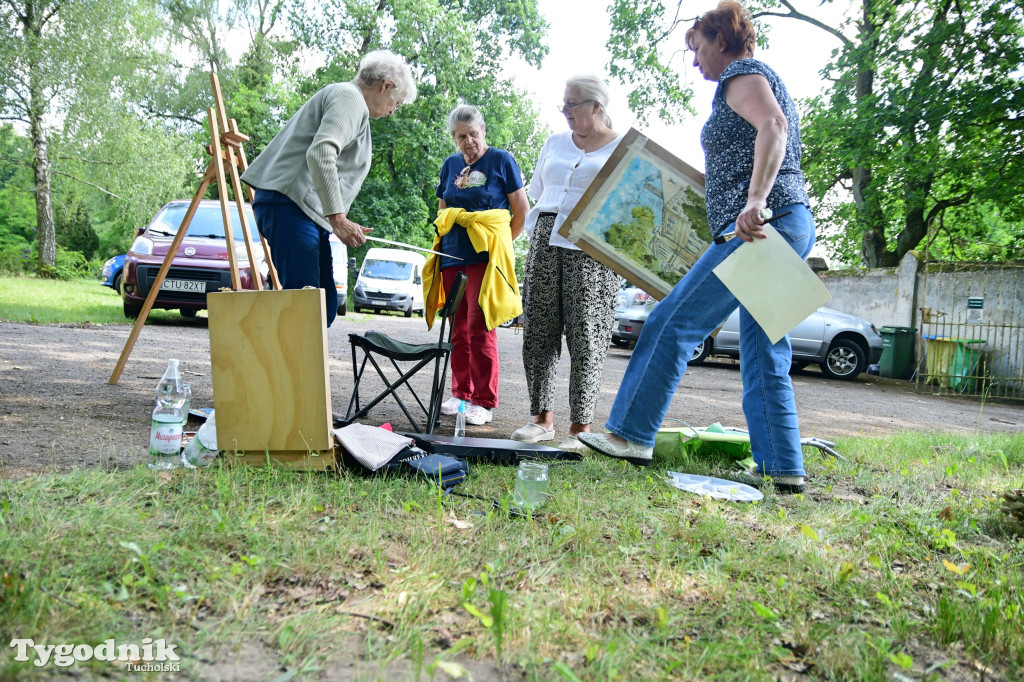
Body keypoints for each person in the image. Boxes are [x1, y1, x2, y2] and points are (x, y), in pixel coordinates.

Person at [578, 1, 816, 494]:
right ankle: (782, 464)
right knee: (762, 345)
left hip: (757, 227)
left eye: (698, 48)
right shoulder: (763, 78)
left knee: (673, 320)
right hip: (790, 222)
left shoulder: (743, 75)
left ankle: (630, 435)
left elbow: (773, 127)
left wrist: (754, 199)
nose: (695, 61)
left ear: (722, 40)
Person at [241, 50, 417, 327]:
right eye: (397, 102)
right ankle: (273, 364)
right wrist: (339, 219)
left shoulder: (350, 102)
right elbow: (321, 152)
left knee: (323, 308)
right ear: (386, 85)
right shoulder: (350, 98)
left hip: (303, 212)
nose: (393, 110)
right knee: (305, 312)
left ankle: (293, 367)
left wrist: (336, 219)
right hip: (290, 205)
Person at [509, 76, 623, 452]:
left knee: (586, 333)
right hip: (546, 235)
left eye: (572, 105)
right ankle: (541, 420)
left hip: (593, 246)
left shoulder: (624, 147)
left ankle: (579, 429)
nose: (566, 112)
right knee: (539, 328)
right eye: (564, 104)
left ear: (596, 107)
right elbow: (538, 191)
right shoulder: (555, 142)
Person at [425, 105, 528, 426]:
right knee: (458, 329)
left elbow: (521, 210)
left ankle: (483, 401)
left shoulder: (501, 161)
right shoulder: (451, 165)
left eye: (473, 134)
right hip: (452, 258)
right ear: (454, 138)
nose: (468, 141)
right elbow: (444, 209)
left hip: (485, 259)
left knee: (480, 328)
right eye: (461, 136)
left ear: (483, 132)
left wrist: (501, 247)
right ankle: (460, 394)